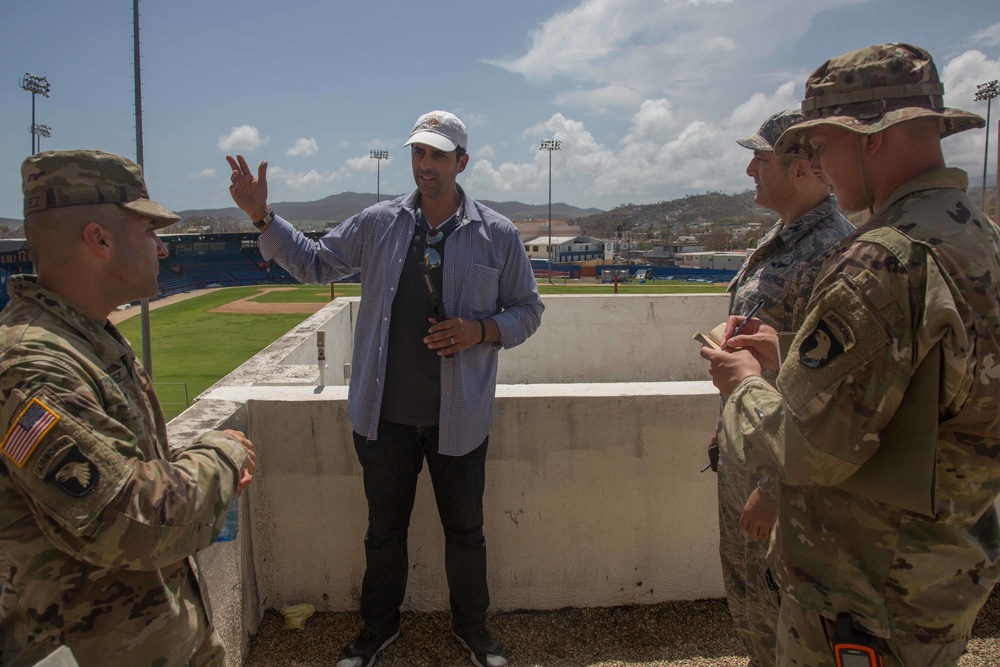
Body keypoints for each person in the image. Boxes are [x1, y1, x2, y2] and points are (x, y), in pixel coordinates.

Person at [702, 44, 999, 666]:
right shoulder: (977, 235)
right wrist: (788, 353)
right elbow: (928, 381)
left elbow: (807, 448)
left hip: (866, 585)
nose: (820, 167)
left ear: (869, 138)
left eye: (823, 148)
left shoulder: (885, 259)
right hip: (939, 567)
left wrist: (744, 381)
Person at [226, 110, 543, 667]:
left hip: (460, 418)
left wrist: (480, 331)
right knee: (383, 533)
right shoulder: (379, 223)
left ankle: (473, 631)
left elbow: (528, 311)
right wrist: (262, 217)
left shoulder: (498, 234)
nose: (426, 164)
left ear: (461, 163)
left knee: (467, 532)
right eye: (419, 152)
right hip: (384, 419)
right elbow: (314, 262)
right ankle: (377, 630)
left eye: (438, 154)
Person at [0, 150, 257, 667]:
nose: (162, 249)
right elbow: (128, 520)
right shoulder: (33, 366)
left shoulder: (84, 339)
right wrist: (222, 455)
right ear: (100, 240)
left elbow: (122, 468)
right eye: (148, 232)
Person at [711, 109, 853, 667]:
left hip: (782, 469)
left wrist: (775, 487)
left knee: (782, 613)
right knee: (751, 602)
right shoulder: (781, 240)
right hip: (748, 448)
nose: (749, 168)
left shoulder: (831, 252)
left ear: (804, 167)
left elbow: (829, 388)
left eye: (761, 158)